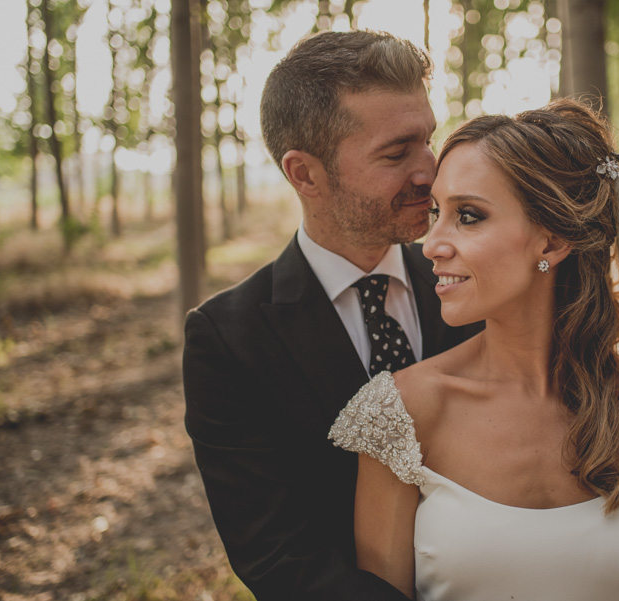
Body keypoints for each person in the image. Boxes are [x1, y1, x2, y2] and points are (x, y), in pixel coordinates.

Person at [329, 98, 619, 601]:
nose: (432, 244)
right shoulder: (400, 412)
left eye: (468, 216)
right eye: (435, 213)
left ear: (551, 244)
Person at [182, 31, 479, 600]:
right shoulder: (228, 339)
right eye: (396, 153)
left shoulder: (479, 282)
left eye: (428, 140)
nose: (430, 171)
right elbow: (276, 556)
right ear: (305, 175)